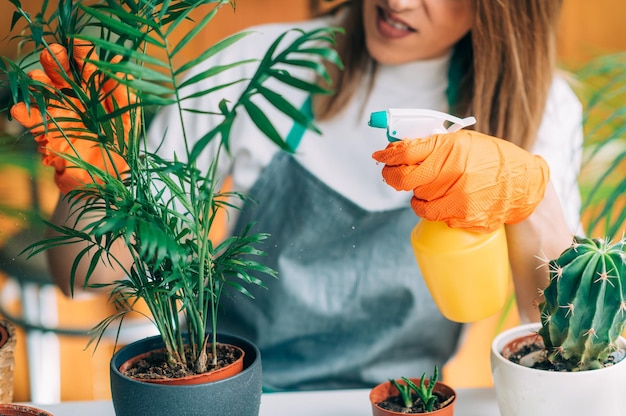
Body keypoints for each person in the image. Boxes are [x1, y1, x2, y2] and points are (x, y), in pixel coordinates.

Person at [39, 0, 582, 391]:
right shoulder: (255, 66)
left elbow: (568, 347)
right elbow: (78, 275)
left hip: (403, 404)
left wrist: (531, 197)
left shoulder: (539, 109)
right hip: (222, 393)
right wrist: (97, 182)